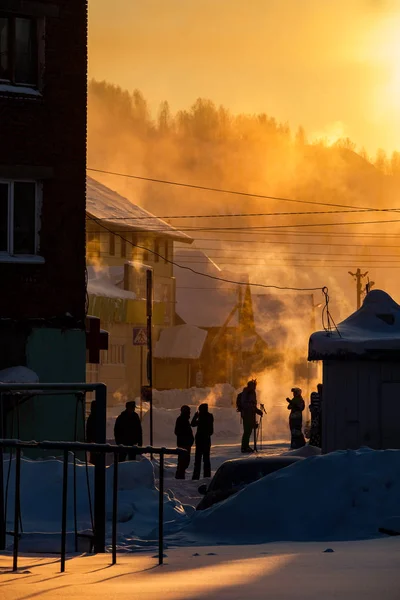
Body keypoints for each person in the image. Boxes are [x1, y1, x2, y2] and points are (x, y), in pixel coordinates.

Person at [238, 380, 263, 453]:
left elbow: (253, 405)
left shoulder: (251, 392)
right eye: (254, 385)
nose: (255, 387)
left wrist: (256, 410)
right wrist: (253, 408)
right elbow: (245, 404)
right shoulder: (247, 392)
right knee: (247, 431)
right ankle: (244, 447)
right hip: (247, 414)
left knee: (248, 431)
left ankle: (246, 446)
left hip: (250, 414)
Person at [191, 403, 214, 480]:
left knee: (198, 460)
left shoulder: (201, 417)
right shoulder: (209, 416)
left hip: (200, 440)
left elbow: (192, 424)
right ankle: (207, 476)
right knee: (206, 459)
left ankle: (196, 476)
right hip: (206, 440)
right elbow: (211, 431)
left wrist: (195, 416)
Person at [174, 405, 194, 479]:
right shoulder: (181, 420)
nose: (189, 413)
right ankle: (180, 476)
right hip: (183, 444)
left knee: (185, 461)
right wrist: (185, 438)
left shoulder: (185, 420)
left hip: (186, 444)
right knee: (183, 461)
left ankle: (180, 475)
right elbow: (177, 431)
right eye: (188, 411)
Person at [309, 383, 322, 448]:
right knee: (315, 430)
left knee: (317, 430)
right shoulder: (316, 396)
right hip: (316, 419)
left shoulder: (321, 397)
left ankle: (316, 443)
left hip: (318, 419)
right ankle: (315, 443)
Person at [86, 400, 97, 465]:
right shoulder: (96, 417)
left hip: (92, 439)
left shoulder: (91, 417)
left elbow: (88, 429)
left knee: (93, 456)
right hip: (95, 439)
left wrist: (89, 439)